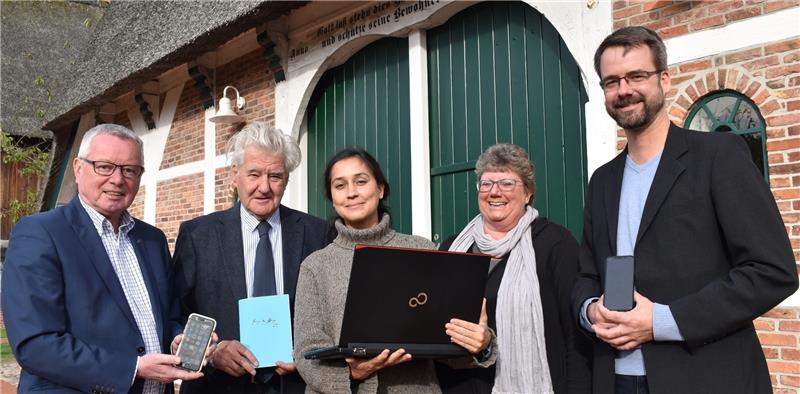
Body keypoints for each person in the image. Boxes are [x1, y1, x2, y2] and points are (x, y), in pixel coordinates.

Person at [572, 26, 799, 394]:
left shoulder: (718, 157)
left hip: (705, 377)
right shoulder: (602, 180)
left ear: (664, 79)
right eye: (611, 81)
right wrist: (590, 309)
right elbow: (586, 275)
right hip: (615, 380)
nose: (624, 90)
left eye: (637, 76)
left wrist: (662, 321)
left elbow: (772, 272)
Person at [1, 124, 208, 393]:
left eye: (129, 170)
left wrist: (177, 339)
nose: (117, 179)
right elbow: (35, 344)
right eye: (104, 167)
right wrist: (132, 368)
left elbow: (168, 317)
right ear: (78, 168)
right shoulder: (40, 233)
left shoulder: (152, 240)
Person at [293, 147, 494, 394]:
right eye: (340, 185)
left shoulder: (422, 250)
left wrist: (481, 343)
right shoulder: (315, 266)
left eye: (361, 181)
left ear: (380, 189)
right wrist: (351, 374)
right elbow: (307, 350)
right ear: (332, 197)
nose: (351, 192)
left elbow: (449, 345)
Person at [173, 122, 328, 393]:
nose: (264, 187)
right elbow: (175, 316)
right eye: (254, 174)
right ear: (235, 174)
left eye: (275, 176)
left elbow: (331, 315)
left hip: (294, 386)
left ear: (287, 179)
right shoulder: (197, 235)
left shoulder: (318, 233)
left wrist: (309, 355)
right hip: (217, 387)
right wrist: (212, 353)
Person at [436, 143, 592, 394]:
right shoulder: (453, 248)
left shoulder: (555, 244)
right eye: (486, 183)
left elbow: (576, 337)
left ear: (528, 193)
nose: (494, 192)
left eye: (507, 183)